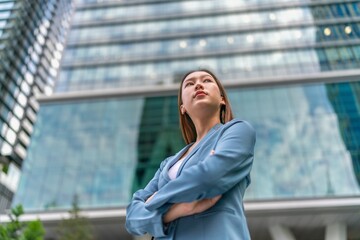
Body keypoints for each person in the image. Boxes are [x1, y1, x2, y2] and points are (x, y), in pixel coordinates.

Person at [125, 69, 256, 240]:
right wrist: (173, 212)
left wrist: (154, 199)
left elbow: (207, 177)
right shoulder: (168, 163)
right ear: (182, 108)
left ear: (222, 99)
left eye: (207, 80)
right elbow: (132, 219)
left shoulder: (237, 131)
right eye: (190, 84)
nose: (199, 85)